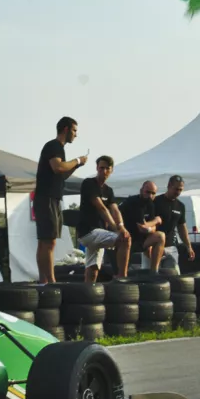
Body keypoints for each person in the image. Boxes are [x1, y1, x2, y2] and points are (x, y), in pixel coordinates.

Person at [34, 117, 87, 284]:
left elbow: (62, 174)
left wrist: (76, 166)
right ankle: (49, 280)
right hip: (46, 198)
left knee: (47, 241)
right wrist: (77, 160)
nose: (76, 135)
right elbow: (58, 167)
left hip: (53, 199)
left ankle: (45, 279)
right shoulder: (54, 146)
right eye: (74, 130)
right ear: (65, 129)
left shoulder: (59, 149)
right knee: (47, 241)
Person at [76, 156, 130, 283]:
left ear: (111, 171)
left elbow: (115, 209)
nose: (104, 171)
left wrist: (121, 226)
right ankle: (122, 277)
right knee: (125, 240)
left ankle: (87, 295)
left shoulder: (109, 191)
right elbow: (101, 208)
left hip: (98, 233)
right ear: (97, 168)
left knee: (93, 270)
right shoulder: (89, 183)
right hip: (88, 232)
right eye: (101, 168)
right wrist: (115, 228)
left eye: (107, 169)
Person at [119, 181, 165, 272]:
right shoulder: (134, 202)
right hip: (124, 240)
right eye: (148, 192)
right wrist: (156, 220)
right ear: (141, 190)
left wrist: (149, 228)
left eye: (153, 193)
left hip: (139, 240)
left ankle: (154, 271)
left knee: (160, 236)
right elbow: (142, 227)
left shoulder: (150, 204)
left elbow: (151, 228)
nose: (150, 195)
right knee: (121, 272)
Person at [152, 175, 195, 270]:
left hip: (171, 247)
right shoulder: (155, 201)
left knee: (174, 277)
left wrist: (189, 246)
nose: (178, 192)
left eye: (180, 190)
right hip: (154, 246)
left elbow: (182, 227)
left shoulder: (180, 206)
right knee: (151, 278)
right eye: (176, 189)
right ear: (169, 186)